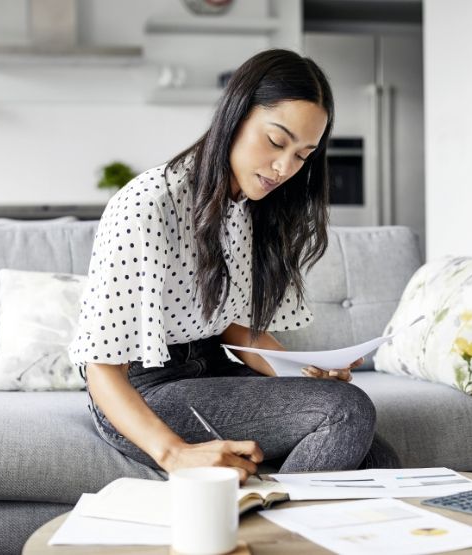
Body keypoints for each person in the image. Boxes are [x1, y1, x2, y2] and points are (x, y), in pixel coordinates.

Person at [68, 49, 400, 482]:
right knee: (347, 411)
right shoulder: (148, 204)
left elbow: (235, 328)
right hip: (139, 392)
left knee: (378, 461)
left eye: (303, 155)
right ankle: (264, 531)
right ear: (235, 116)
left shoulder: (252, 205)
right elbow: (101, 367)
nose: (285, 167)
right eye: (277, 141)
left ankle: (283, 529)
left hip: (212, 370)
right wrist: (173, 454)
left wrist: (305, 372)